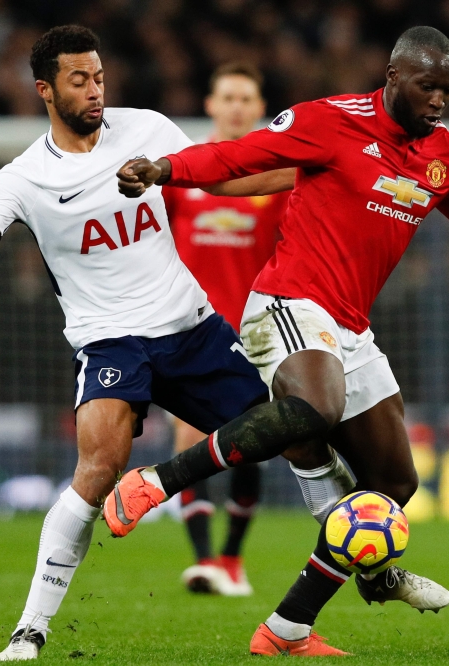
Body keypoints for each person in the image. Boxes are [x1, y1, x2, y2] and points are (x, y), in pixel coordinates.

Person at [112, 26, 449, 656]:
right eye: (427, 86)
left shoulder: (447, 158)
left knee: (394, 484)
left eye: (448, 90)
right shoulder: (330, 120)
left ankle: (288, 627)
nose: (438, 100)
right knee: (315, 408)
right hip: (287, 301)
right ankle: (158, 480)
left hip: (350, 326)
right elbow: (240, 156)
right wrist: (163, 170)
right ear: (393, 77)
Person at [0, 25, 322, 661]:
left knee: (298, 436)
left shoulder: (148, 128)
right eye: (79, 80)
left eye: (98, 77)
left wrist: (315, 173)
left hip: (191, 327)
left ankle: (352, 578)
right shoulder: (25, 177)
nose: (95, 91)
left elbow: (222, 181)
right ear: (45, 90)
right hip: (109, 340)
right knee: (96, 470)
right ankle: (30, 630)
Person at [165, 62, 289, 597]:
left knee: (251, 443)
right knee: (187, 436)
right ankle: (205, 562)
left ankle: (233, 560)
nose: (236, 106)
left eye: (246, 98)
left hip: (256, 329)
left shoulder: (275, 178)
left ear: (260, 109)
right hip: (189, 328)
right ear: (211, 105)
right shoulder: (183, 171)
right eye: (228, 97)